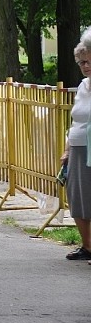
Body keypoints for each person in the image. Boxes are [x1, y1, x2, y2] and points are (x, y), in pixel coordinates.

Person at [61, 26, 91, 262]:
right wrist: (67, 148)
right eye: (82, 62)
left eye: (89, 61)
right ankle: (87, 246)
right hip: (79, 148)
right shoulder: (83, 87)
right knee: (78, 198)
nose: (86, 66)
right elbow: (75, 120)